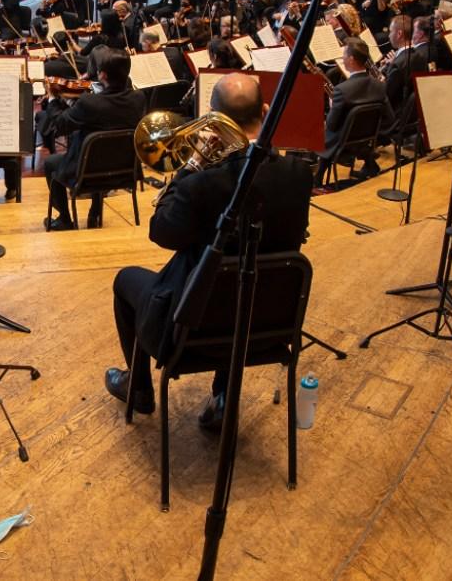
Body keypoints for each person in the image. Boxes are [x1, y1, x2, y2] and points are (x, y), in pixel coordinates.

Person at [105, 72, 312, 427]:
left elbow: (162, 233)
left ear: (212, 121)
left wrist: (191, 168)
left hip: (192, 331)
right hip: (268, 325)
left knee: (126, 281)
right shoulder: (299, 174)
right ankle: (222, 396)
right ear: (265, 109)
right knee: (238, 278)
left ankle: (137, 388)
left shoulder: (202, 183)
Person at [42, 51, 147, 231]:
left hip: (88, 175)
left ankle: (65, 219)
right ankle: (95, 212)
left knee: (51, 163)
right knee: (105, 153)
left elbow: (60, 125)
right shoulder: (139, 98)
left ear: (103, 75)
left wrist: (53, 99)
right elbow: (106, 114)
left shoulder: (89, 103)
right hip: (125, 173)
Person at [319, 38, 390, 183]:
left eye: (343, 55)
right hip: (366, 140)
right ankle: (370, 163)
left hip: (341, 142)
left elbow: (331, 125)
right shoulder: (380, 86)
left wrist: (332, 106)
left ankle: (317, 175)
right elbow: (390, 117)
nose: (342, 59)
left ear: (351, 59)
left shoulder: (342, 90)